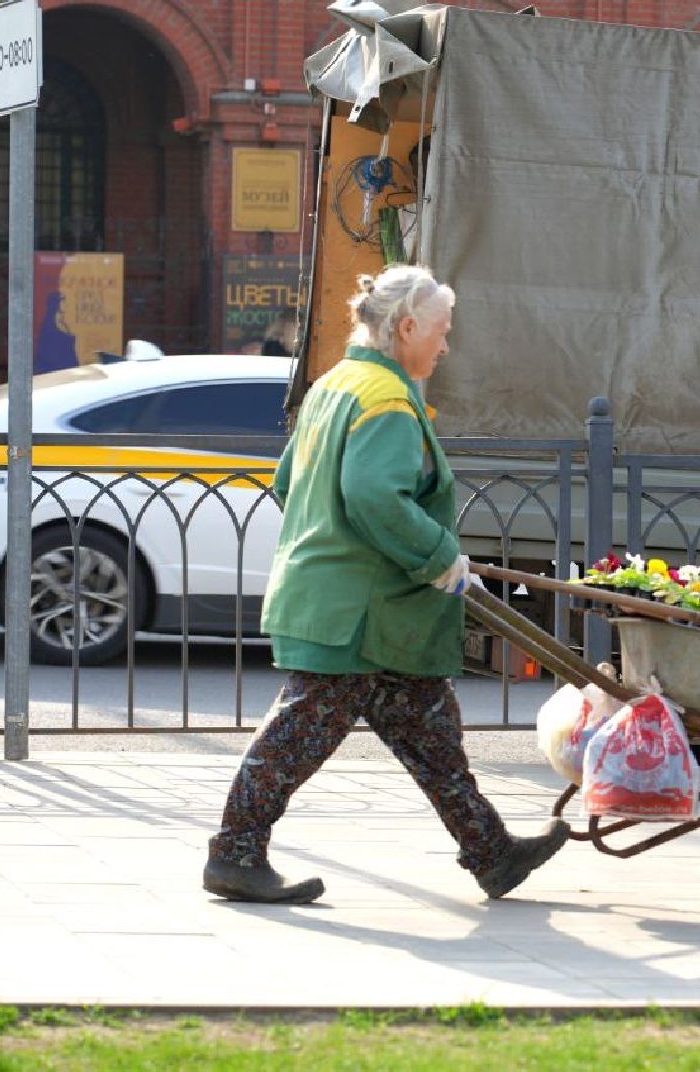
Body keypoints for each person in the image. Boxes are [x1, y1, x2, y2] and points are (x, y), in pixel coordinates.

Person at [203, 264, 570, 904]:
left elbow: (288, 483)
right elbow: (374, 495)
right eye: (442, 331)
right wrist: (436, 555)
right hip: (361, 612)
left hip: (358, 604)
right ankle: (234, 855)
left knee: (433, 739)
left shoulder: (334, 385)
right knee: (297, 737)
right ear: (406, 327)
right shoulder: (387, 400)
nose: (446, 345)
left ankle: (491, 851)